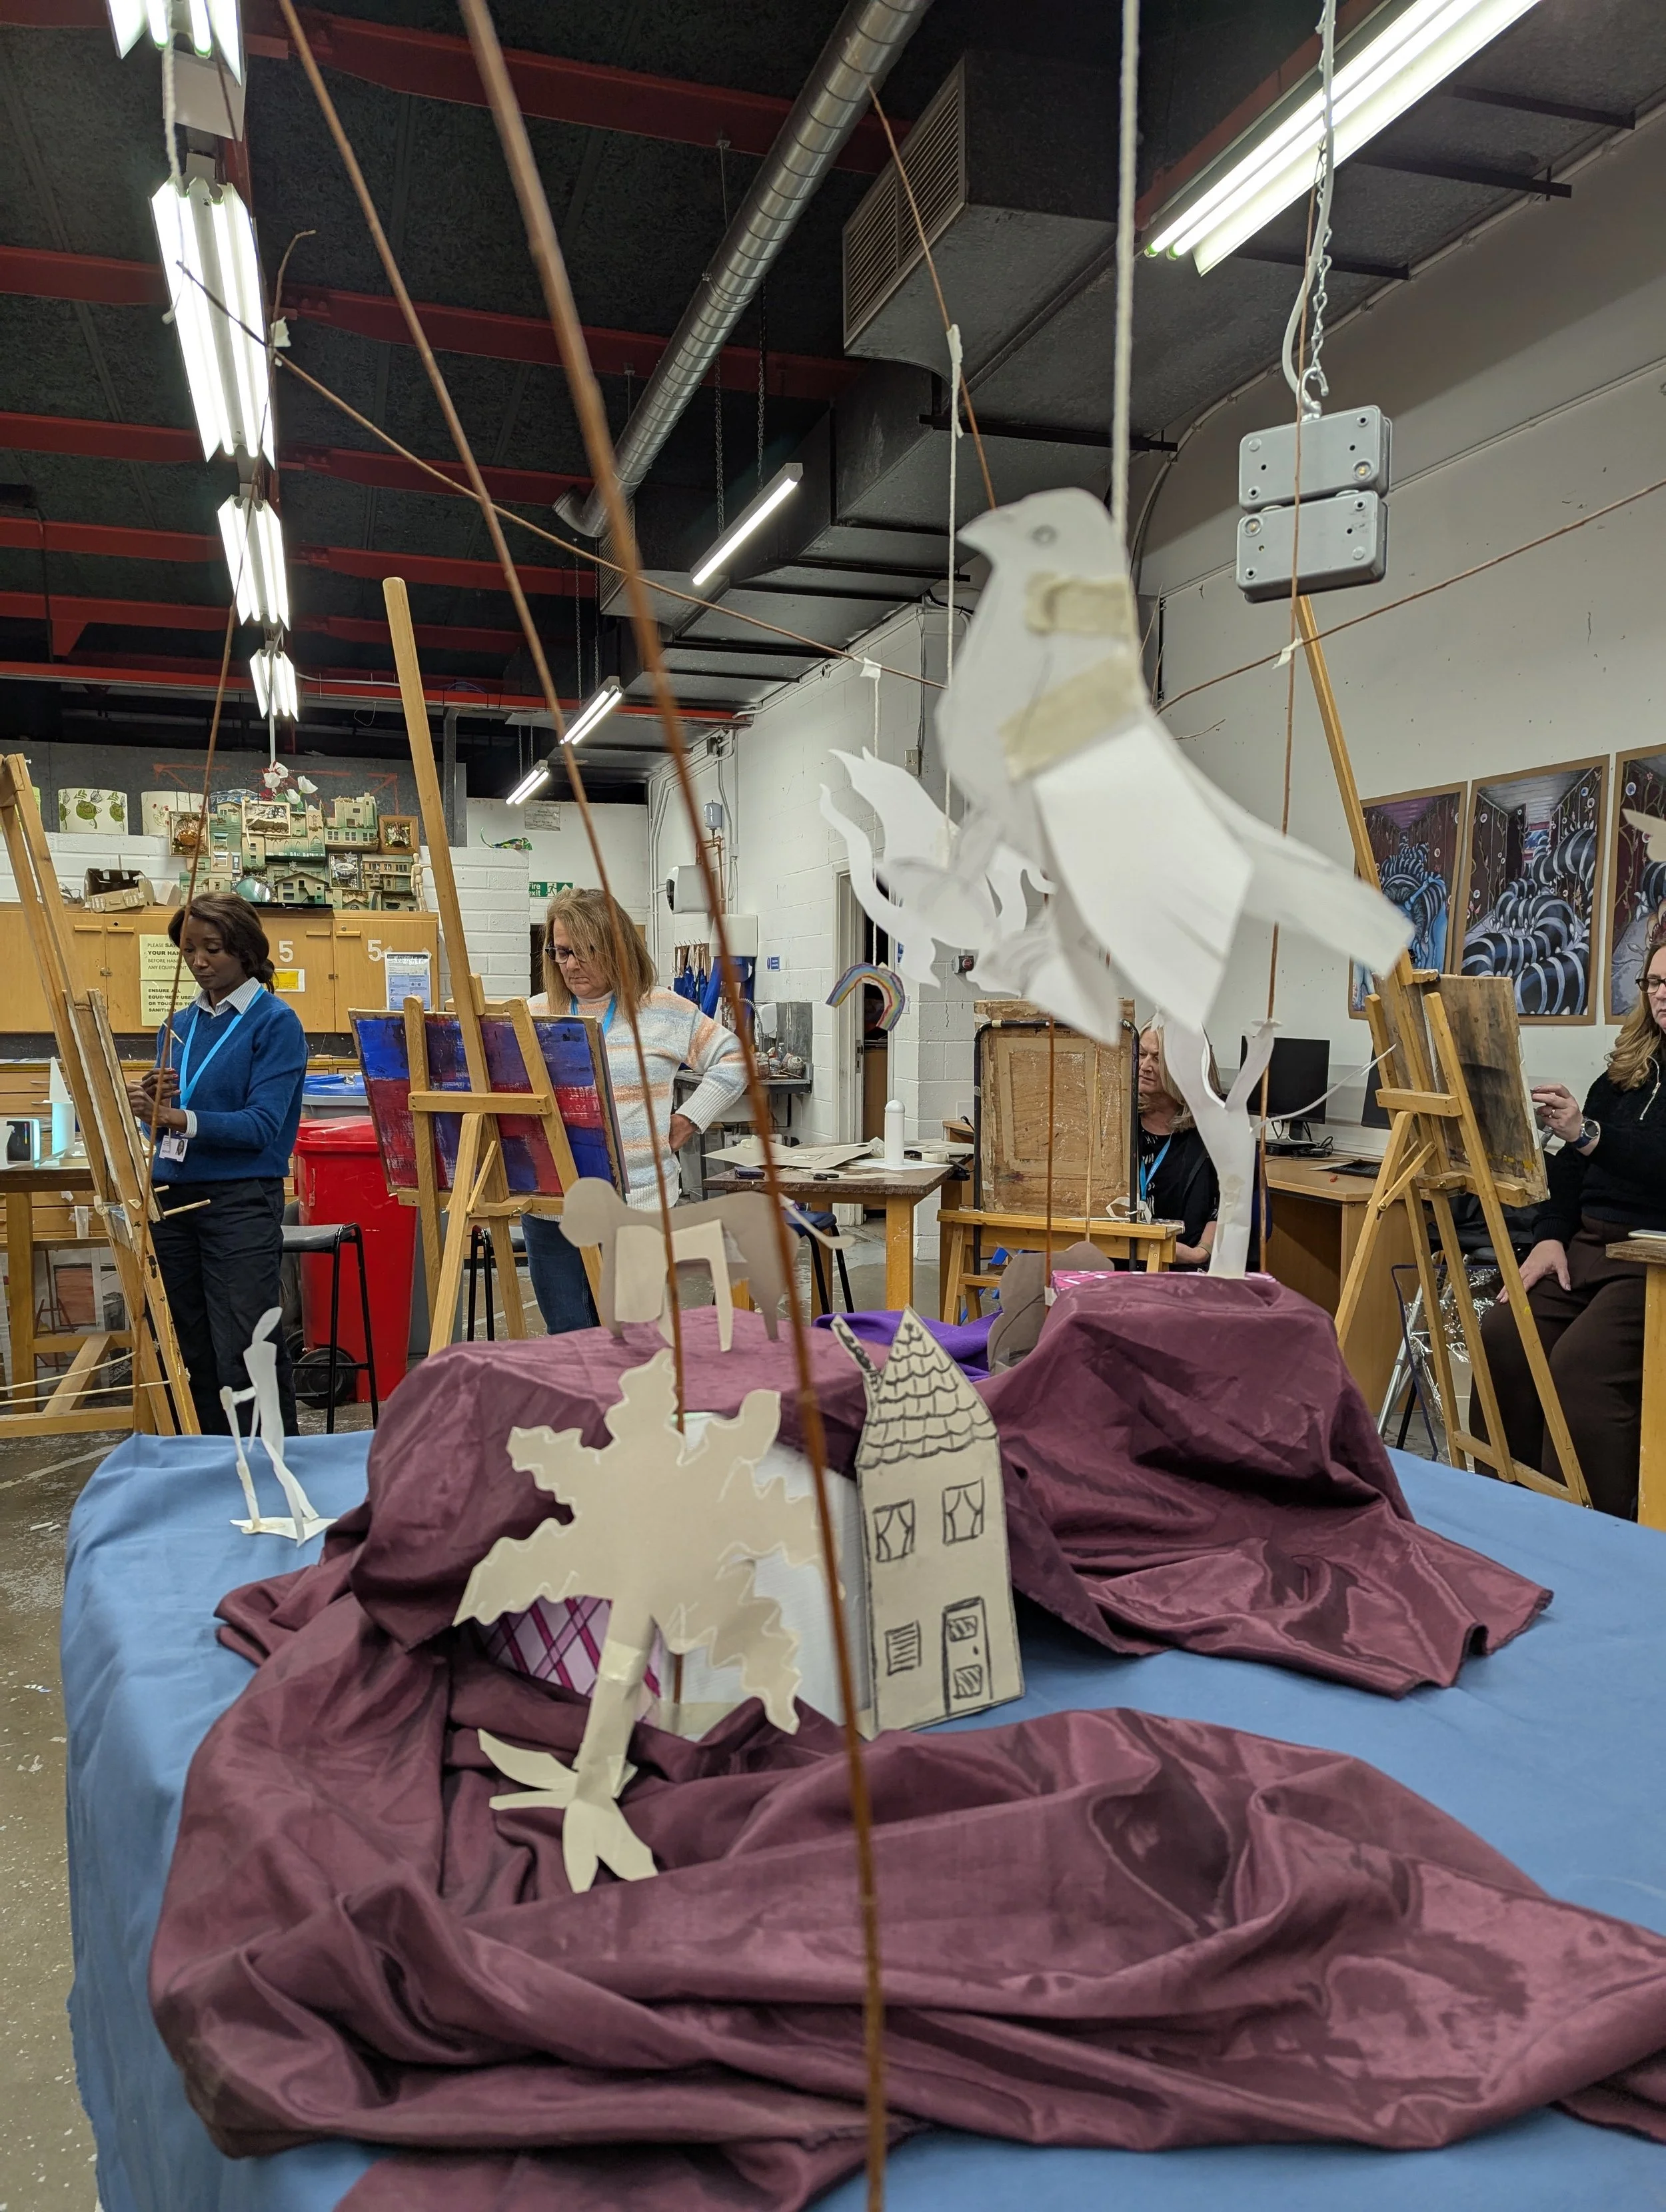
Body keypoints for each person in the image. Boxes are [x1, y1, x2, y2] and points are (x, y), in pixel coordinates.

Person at [1473, 933, 1666, 1516]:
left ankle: (1585, 1533)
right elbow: (1566, 1168)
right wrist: (1550, 1235)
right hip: (1585, 1246)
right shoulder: (1622, 1076)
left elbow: (1652, 1158)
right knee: (1507, 1335)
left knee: (1579, 1369)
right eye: (1655, 983)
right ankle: (1503, 1511)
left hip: (1651, 1262)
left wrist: (1591, 1136)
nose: (1662, 995)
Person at [523, 886, 746, 1332]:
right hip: (552, 1208)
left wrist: (689, 1117)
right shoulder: (533, 1015)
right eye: (561, 952)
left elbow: (736, 1059)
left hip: (637, 1203)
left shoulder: (662, 1010)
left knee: (633, 1337)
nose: (570, 964)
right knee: (568, 1341)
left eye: (584, 951)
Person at [125, 893, 307, 1435]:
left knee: (245, 1346)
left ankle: (274, 1466)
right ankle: (214, 1466)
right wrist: (150, 1113)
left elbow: (260, 1128)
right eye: (188, 950)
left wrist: (178, 1118)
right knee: (189, 1346)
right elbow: (158, 1131)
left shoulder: (274, 1023)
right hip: (173, 1199)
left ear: (246, 952)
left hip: (238, 1202)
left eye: (213, 949)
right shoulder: (178, 1023)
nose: (199, 961)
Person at [1137, 1025, 1218, 1267]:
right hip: (1120, 1259)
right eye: (1141, 1054)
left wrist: (1200, 1253)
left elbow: (1227, 1206)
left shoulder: (1214, 1129)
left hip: (1185, 1266)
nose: (1145, 1066)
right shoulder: (1117, 1119)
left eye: (1158, 1058)